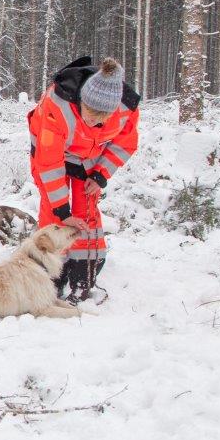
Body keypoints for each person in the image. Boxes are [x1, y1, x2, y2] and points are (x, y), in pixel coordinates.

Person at [28, 56, 140, 301]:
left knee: (86, 211)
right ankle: (49, 275)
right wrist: (62, 207)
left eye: (100, 119)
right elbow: (49, 163)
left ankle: (84, 275)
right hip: (51, 152)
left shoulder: (127, 108)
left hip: (90, 157)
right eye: (89, 116)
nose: (93, 122)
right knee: (53, 213)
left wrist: (100, 175)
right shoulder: (57, 106)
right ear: (81, 101)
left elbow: (125, 144)